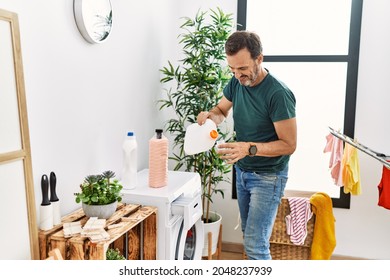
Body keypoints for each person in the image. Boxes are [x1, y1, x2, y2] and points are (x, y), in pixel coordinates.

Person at [197, 31, 297, 260]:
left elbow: (289, 145)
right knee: (249, 237)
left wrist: (248, 148)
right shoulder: (236, 82)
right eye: (232, 69)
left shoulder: (278, 94)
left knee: (255, 244)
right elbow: (221, 111)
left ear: (259, 59)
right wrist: (210, 116)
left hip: (269, 177)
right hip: (243, 171)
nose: (237, 75)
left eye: (242, 69)